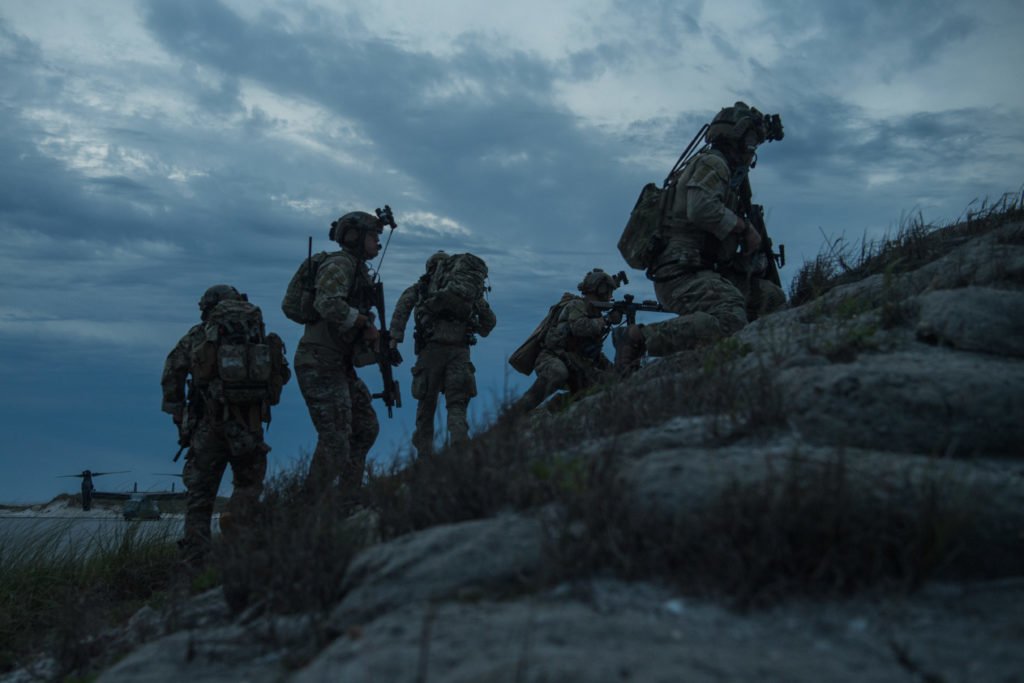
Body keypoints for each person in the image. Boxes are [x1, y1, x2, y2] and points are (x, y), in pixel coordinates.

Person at [615, 102, 785, 369]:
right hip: (682, 274)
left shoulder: (728, 175)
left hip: (708, 271)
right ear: (734, 137)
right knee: (730, 317)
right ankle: (639, 337)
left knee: (771, 298)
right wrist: (743, 228)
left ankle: (749, 362)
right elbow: (701, 208)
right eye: (751, 141)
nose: (753, 149)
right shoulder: (712, 162)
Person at [161, 284, 291, 566]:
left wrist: (177, 410)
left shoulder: (196, 337)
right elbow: (280, 376)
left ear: (208, 309)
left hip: (209, 425)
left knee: (200, 494)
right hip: (249, 424)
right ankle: (239, 546)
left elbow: (172, 371)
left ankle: (195, 557)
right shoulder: (258, 337)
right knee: (247, 485)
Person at [294, 212, 383, 501]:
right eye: (374, 237)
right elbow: (327, 303)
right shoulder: (340, 264)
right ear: (355, 237)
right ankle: (306, 511)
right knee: (335, 441)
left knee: (365, 428)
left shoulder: (357, 270)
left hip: (338, 364)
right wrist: (364, 323)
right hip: (319, 360)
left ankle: (347, 499)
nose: (378, 244)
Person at [389, 251, 496, 455]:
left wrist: (394, 341)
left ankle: (425, 458)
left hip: (431, 353)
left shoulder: (420, 288)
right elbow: (489, 323)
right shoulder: (468, 293)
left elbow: (401, 311)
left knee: (426, 407)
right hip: (460, 353)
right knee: (457, 405)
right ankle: (460, 450)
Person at [509, 268, 621, 414]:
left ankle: (551, 411)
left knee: (608, 382)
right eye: (608, 291)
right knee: (557, 373)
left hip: (576, 362)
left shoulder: (594, 312)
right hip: (552, 356)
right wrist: (607, 320)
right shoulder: (576, 305)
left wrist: (616, 371)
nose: (609, 296)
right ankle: (516, 414)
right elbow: (579, 328)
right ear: (599, 289)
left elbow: (590, 349)